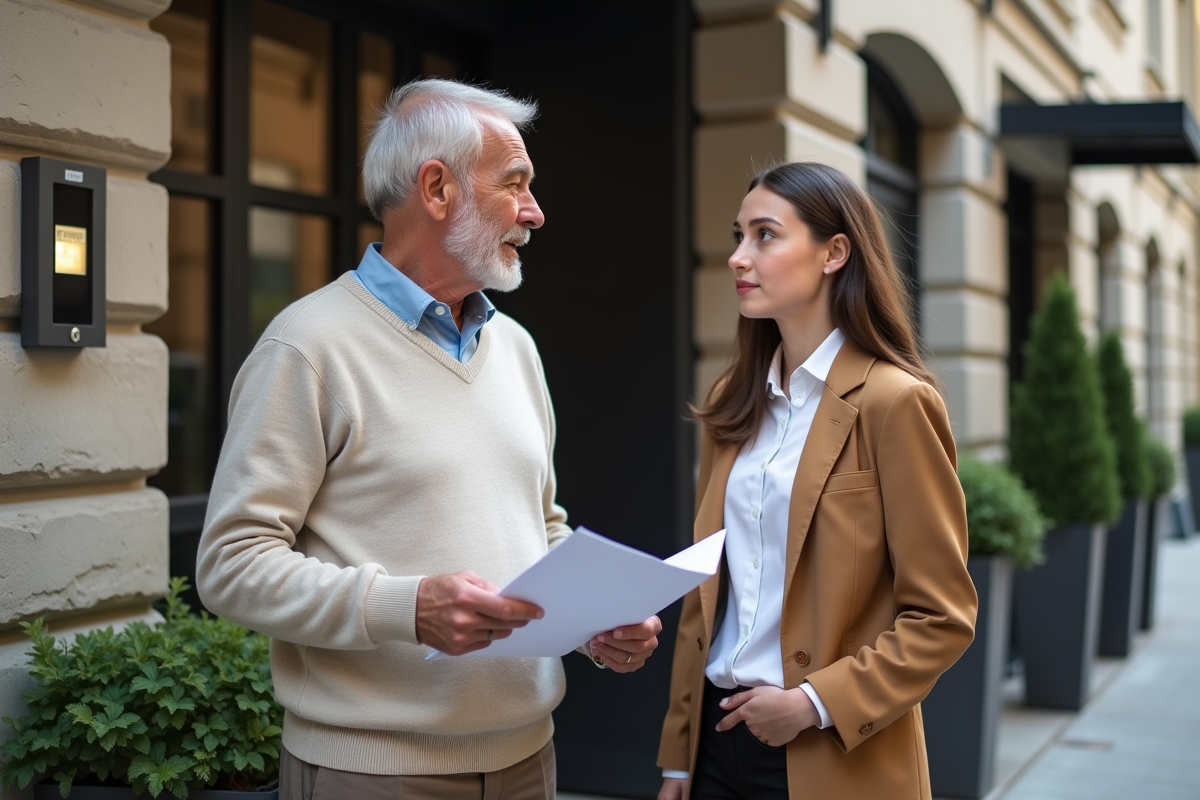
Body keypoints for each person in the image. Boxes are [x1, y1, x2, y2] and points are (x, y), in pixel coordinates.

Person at [196, 78, 661, 800]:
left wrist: (594, 618)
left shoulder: (516, 349)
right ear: (438, 189)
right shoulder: (308, 346)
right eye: (515, 185)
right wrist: (406, 608)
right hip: (371, 774)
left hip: (530, 763)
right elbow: (230, 565)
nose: (535, 213)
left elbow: (537, 525)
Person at [656, 162, 977, 799]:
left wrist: (812, 702)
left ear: (834, 252)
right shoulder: (733, 404)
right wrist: (677, 760)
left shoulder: (894, 402)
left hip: (834, 752)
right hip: (716, 749)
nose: (738, 258)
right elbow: (706, 603)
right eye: (738, 236)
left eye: (765, 235)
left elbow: (942, 616)